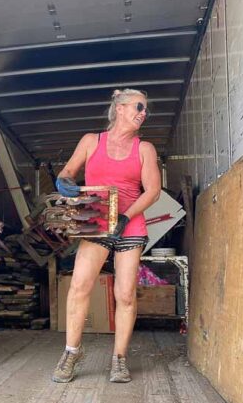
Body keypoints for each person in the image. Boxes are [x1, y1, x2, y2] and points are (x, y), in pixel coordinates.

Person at [52, 89, 161, 384]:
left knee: (125, 295)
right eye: (139, 107)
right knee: (79, 287)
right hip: (96, 223)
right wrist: (64, 183)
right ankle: (71, 352)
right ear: (121, 108)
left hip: (130, 224)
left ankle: (119, 359)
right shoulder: (91, 141)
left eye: (145, 109)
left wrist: (126, 216)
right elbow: (67, 171)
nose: (143, 113)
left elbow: (152, 190)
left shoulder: (144, 149)